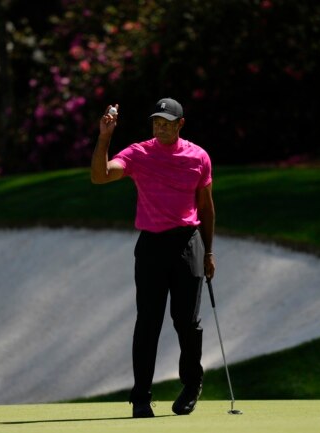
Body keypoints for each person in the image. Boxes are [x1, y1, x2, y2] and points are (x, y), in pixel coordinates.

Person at [90, 97, 215, 418]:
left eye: (167, 122)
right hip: (151, 247)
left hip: (188, 243)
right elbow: (100, 176)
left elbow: (206, 207)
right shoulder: (138, 153)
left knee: (186, 322)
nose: (160, 127)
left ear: (180, 124)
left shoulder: (198, 157)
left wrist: (209, 250)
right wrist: (105, 137)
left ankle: (191, 383)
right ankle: (141, 397)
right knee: (148, 322)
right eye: (156, 122)